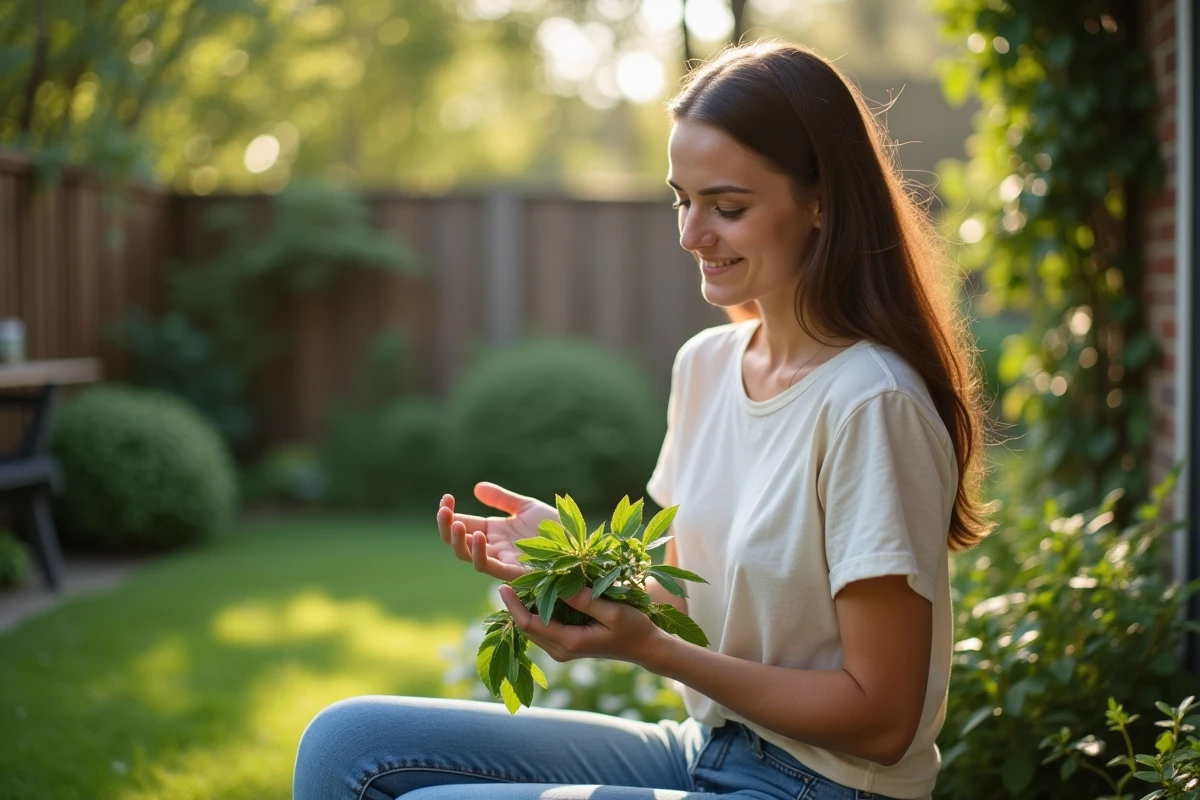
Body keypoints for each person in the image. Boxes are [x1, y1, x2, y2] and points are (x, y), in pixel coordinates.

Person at [293, 39, 992, 800]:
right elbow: (689, 598)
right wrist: (571, 570)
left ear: (820, 201)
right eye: (682, 200)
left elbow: (882, 719)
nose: (692, 235)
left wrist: (654, 652)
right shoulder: (705, 367)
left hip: (827, 786)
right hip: (710, 749)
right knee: (345, 743)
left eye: (728, 207)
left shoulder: (870, 404)